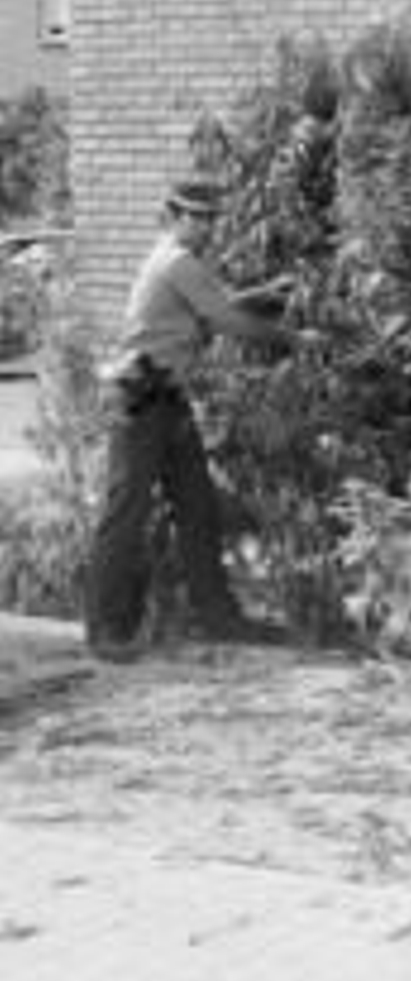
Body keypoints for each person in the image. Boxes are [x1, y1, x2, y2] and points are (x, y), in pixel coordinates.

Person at [83, 176, 315, 662]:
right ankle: (104, 630)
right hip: (139, 402)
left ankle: (220, 618)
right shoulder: (175, 262)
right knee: (125, 515)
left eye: (212, 217)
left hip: (168, 400)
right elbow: (226, 320)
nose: (208, 226)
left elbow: (217, 304)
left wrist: (265, 291)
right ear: (174, 215)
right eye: (198, 217)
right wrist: (293, 339)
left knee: (198, 508)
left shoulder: (184, 264)